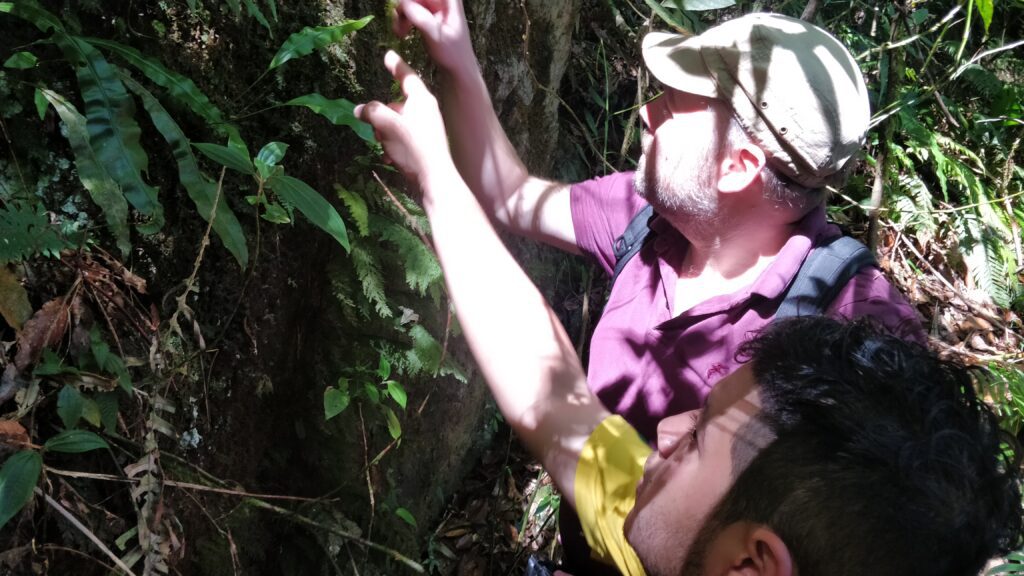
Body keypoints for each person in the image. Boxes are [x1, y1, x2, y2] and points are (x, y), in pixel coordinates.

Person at [354, 51, 1022, 576]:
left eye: (700, 436)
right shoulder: (648, 222)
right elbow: (561, 407)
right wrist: (452, 92)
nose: (662, 428)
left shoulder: (858, 324)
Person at [390, 2, 926, 444]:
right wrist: (455, 54)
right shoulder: (647, 218)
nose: (646, 111)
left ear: (737, 166)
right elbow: (512, 196)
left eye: (671, 104)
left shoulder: (852, 330)